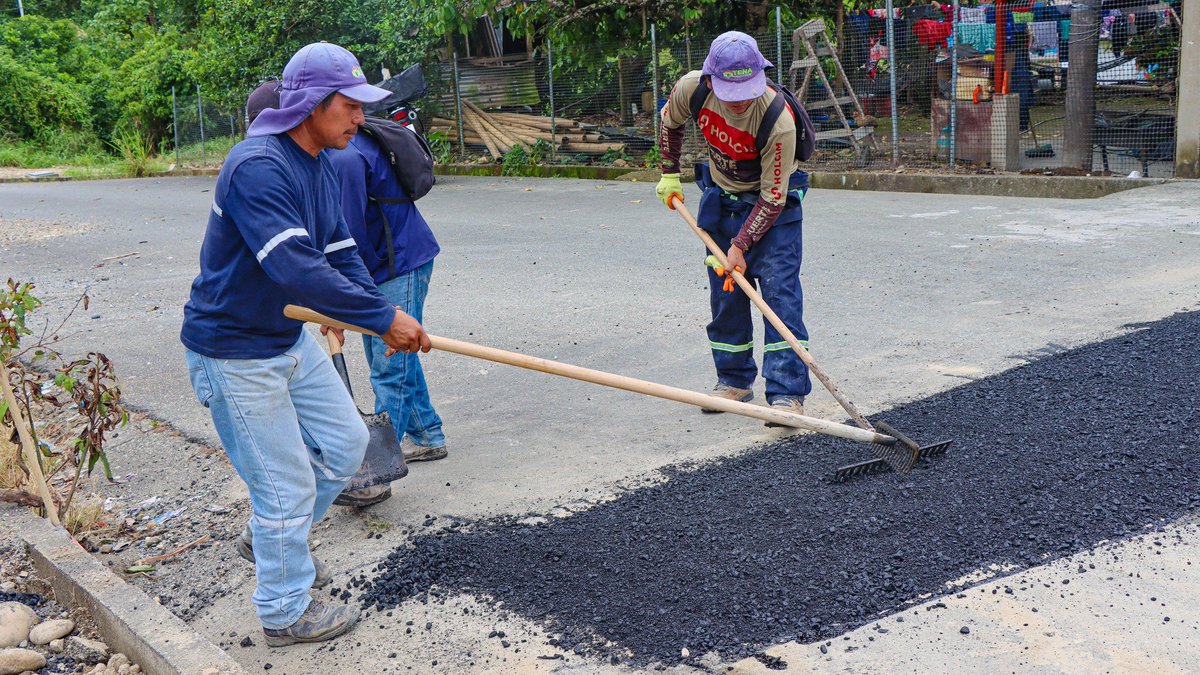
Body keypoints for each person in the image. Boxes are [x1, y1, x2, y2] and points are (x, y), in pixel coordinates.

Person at [181, 42, 430, 647]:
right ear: (311, 106)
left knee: (345, 448)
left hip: (284, 339)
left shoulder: (321, 163)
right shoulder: (257, 167)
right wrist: (383, 316)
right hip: (234, 352)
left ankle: (270, 538)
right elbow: (295, 268)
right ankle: (284, 610)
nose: (360, 118)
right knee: (285, 485)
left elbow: (341, 253)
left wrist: (379, 316)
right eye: (350, 106)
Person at [655, 31, 812, 422]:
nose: (741, 101)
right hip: (721, 201)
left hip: (774, 210)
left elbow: (772, 197)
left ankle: (787, 393)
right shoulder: (691, 89)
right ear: (710, 81)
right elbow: (668, 122)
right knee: (726, 298)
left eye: (747, 90)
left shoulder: (778, 118)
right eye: (731, 92)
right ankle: (734, 382)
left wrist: (740, 246)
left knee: (780, 298)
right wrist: (668, 173)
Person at [326, 112, 448, 501]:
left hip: (398, 264)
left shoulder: (344, 156)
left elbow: (345, 237)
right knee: (397, 355)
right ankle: (427, 434)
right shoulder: (332, 151)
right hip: (380, 263)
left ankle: (375, 474)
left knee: (389, 364)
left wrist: (339, 303)